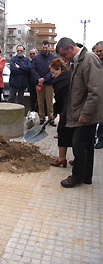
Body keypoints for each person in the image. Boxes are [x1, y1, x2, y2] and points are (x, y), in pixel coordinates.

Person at [56, 37, 103, 188]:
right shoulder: (79, 60)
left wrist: (86, 113)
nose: (64, 59)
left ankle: (77, 176)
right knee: (87, 145)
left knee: (78, 144)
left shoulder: (89, 59)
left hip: (86, 113)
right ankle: (86, 176)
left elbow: (95, 90)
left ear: (71, 47)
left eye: (64, 55)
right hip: (82, 111)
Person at [49, 58, 74, 167]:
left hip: (67, 109)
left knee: (62, 131)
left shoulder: (59, 82)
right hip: (76, 108)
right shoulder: (71, 75)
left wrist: (55, 113)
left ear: (59, 69)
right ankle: (77, 159)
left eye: (53, 72)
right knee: (75, 134)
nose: (53, 75)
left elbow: (58, 99)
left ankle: (62, 159)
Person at [31, 40, 56, 126]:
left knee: (49, 102)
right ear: (41, 47)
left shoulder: (53, 58)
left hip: (48, 83)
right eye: (43, 47)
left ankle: (51, 118)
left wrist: (44, 79)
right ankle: (41, 118)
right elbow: (33, 69)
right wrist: (38, 79)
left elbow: (53, 71)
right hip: (39, 84)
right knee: (40, 102)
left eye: (46, 47)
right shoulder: (36, 58)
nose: (45, 49)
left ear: (48, 47)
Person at [94, 41, 103, 149]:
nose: (99, 53)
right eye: (97, 51)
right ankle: (100, 140)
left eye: (101, 51)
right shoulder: (96, 62)